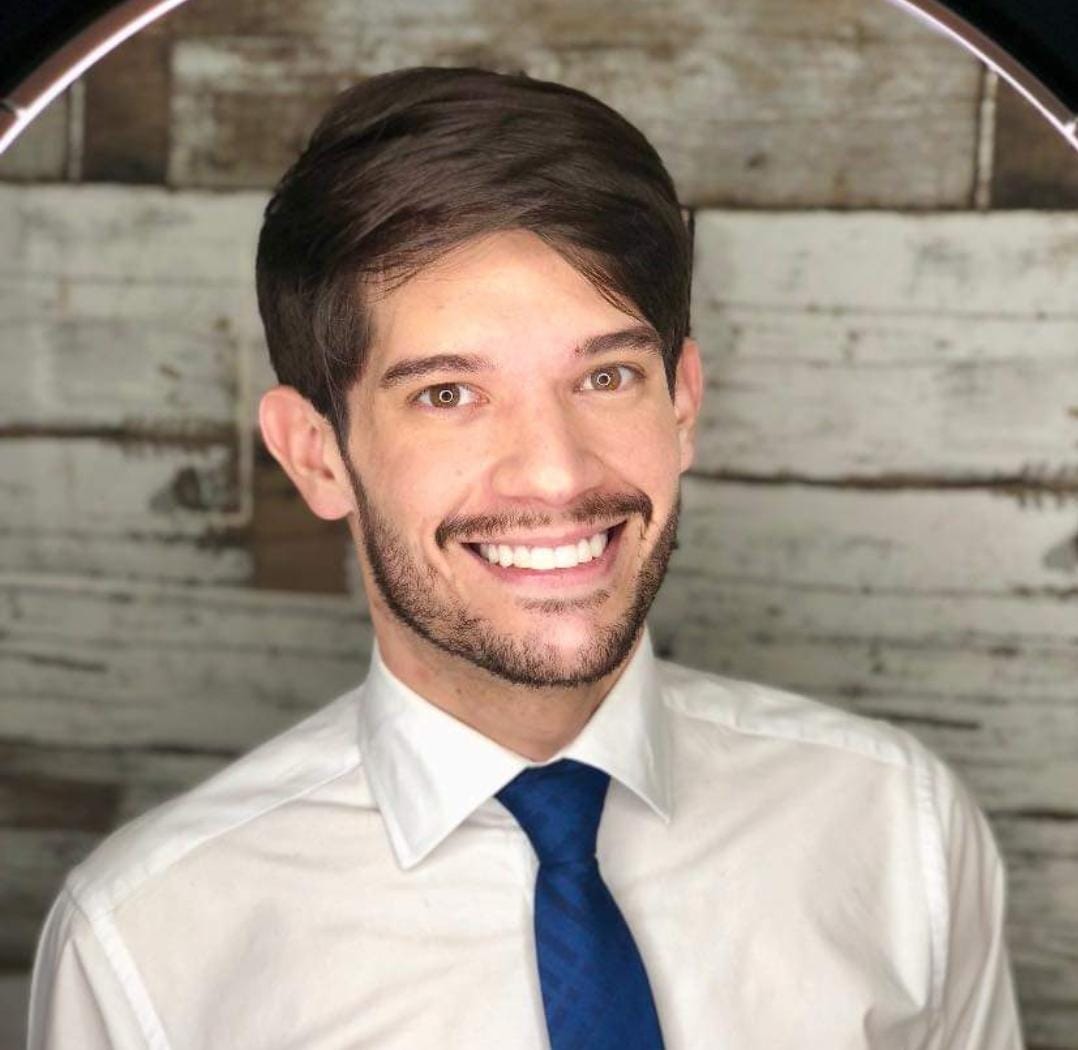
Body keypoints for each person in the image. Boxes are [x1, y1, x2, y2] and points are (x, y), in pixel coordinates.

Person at [27, 66, 1023, 1049]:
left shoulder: (900, 831)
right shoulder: (147, 950)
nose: (554, 475)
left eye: (607, 376)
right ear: (316, 456)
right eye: (448, 395)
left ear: (682, 402)